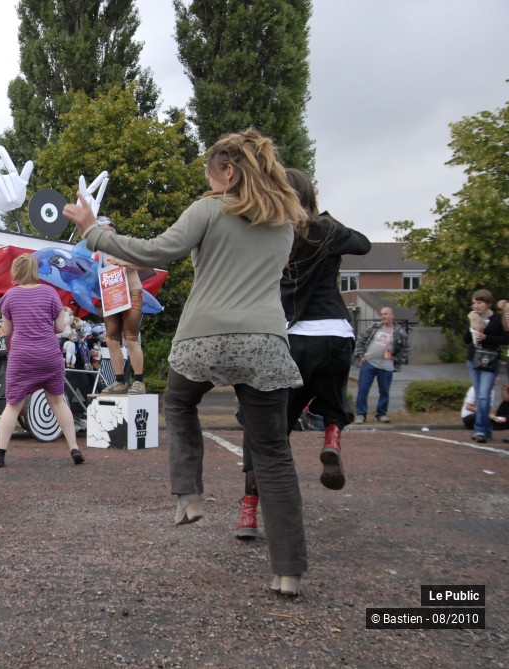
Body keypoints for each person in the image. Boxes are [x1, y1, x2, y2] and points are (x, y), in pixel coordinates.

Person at [64, 128, 308, 596]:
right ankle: (288, 572)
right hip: (265, 341)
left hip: (204, 335)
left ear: (228, 171)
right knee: (274, 455)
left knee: (178, 403)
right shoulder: (284, 221)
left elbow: (154, 252)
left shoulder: (208, 210)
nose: (208, 181)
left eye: (210, 173)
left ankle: (190, 495)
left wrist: (92, 232)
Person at [234, 168, 372, 538]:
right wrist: (325, 220)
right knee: (334, 397)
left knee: (262, 426)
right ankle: (331, 438)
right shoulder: (327, 229)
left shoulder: (266, 232)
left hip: (286, 338)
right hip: (335, 334)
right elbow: (363, 244)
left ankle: (249, 512)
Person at [0, 254, 84, 468]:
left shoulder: (9, 296)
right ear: (35, 270)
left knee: (12, 406)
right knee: (58, 402)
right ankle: (74, 448)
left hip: (22, 357)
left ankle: (0, 454)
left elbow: (7, 331)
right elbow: (60, 327)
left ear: (16, 271)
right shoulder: (50, 293)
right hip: (48, 355)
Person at [96, 217, 148, 395]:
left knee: (130, 338)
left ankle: (139, 381)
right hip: (112, 296)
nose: (107, 230)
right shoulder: (99, 252)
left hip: (131, 293)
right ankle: (119, 382)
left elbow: (143, 262)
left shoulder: (125, 243)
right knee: (111, 340)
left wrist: (122, 262)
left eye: (109, 227)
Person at [462, 290, 509, 443]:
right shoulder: (474, 316)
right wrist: (472, 327)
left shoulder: (498, 318)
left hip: (490, 360)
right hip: (473, 359)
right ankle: (487, 429)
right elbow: (466, 340)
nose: (477, 305)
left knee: (483, 395)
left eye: (480, 302)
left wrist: (486, 337)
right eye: (474, 302)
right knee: (482, 396)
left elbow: (505, 339)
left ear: (488, 303)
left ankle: (480, 430)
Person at [354, 307, 408, 424]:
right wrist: (361, 355)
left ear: (392, 315)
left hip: (386, 366)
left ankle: (382, 414)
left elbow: (405, 350)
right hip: (369, 363)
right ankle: (361, 414)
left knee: (384, 391)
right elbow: (360, 340)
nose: (383, 316)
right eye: (382, 314)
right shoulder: (374, 327)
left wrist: (396, 359)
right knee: (363, 390)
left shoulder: (400, 332)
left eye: (386, 314)